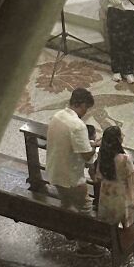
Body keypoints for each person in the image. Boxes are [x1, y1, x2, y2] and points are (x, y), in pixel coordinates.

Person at [46, 88, 102, 254]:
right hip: (70, 176)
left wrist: (90, 143)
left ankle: (69, 229)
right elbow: (86, 155)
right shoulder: (78, 126)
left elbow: (69, 143)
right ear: (82, 104)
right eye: (86, 108)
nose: (86, 112)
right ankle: (84, 245)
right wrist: (95, 147)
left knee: (66, 203)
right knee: (85, 207)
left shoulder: (58, 116)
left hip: (55, 170)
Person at [95, 125, 134, 230]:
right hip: (123, 193)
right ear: (118, 140)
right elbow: (131, 178)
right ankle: (128, 237)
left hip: (107, 192)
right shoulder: (124, 159)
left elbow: (99, 175)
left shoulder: (102, 154)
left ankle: (114, 237)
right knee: (127, 223)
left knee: (111, 221)